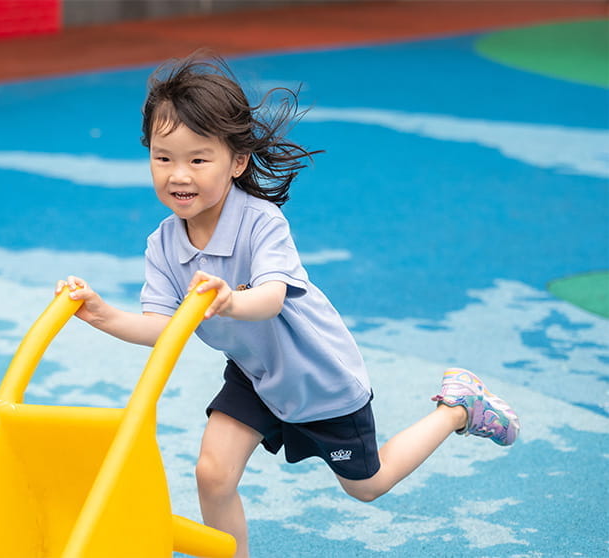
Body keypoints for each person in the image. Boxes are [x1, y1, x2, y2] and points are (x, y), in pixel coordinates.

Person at [56, 52, 520, 558]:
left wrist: (232, 300)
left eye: (197, 159)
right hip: (256, 376)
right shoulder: (163, 244)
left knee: (366, 485)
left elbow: (272, 298)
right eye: (163, 158)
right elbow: (161, 328)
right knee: (212, 473)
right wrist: (100, 314)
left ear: (236, 161)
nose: (178, 174)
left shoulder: (260, 223)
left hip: (317, 378)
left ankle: (459, 408)